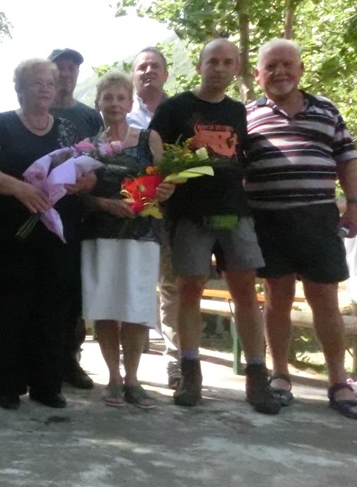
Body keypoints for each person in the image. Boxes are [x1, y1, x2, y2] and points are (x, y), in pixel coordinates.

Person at [149, 38, 280, 414]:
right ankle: (190, 373)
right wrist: (162, 174)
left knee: (245, 291)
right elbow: (154, 140)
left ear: (236, 68)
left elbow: (247, 156)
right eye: (212, 61)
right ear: (199, 65)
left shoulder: (240, 111)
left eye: (227, 62)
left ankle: (257, 375)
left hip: (233, 212)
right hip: (189, 214)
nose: (219, 68)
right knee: (189, 289)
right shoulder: (175, 107)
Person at [245, 39, 357, 421]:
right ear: (257, 74)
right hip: (267, 219)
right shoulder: (247, 115)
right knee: (276, 296)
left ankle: (339, 383)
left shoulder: (326, 110)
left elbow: (347, 161)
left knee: (325, 299)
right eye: (271, 66)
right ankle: (280, 376)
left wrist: (355, 205)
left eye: (287, 64)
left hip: (318, 218)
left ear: (300, 70)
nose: (280, 72)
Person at [0, 58, 96, 410]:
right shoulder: (0, 124)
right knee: (11, 309)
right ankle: (8, 387)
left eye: (49, 84)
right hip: (11, 235)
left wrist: (82, 183)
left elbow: (89, 175)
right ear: (20, 88)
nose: (45, 89)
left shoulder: (68, 129)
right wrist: (19, 188)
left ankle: (47, 386)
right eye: (37, 82)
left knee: (53, 311)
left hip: (57, 236)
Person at [80, 72, 173, 409]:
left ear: (130, 103)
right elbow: (78, 195)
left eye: (121, 98)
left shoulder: (149, 138)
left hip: (141, 234)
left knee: (136, 307)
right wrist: (105, 204)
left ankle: (133, 379)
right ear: (98, 103)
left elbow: (166, 181)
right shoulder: (89, 146)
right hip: (100, 234)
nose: (115, 104)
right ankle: (113, 379)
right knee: (105, 307)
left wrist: (165, 189)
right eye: (108, 98)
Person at [48, 47, 102, 391]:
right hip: (39, 207)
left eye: (72, 68)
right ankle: (41, 358)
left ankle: (70, 358)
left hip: (76, 213)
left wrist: (88, 182)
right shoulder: (37, 108)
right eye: (60, 68)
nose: (66, 74)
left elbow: (100, 159)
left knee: (73, 289)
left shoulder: (90, 117)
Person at [127, 47, 181, 388]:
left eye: (155, 66)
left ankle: (176, 360)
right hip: (129, 215)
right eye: (142, 67)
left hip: (173, 212)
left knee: (172, 285)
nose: (148, 71)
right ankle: (127, 363)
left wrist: (173, 183)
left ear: (166, 73)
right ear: (133, 75)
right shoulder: (119, 112)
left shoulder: (181, 111)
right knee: (133, 283)